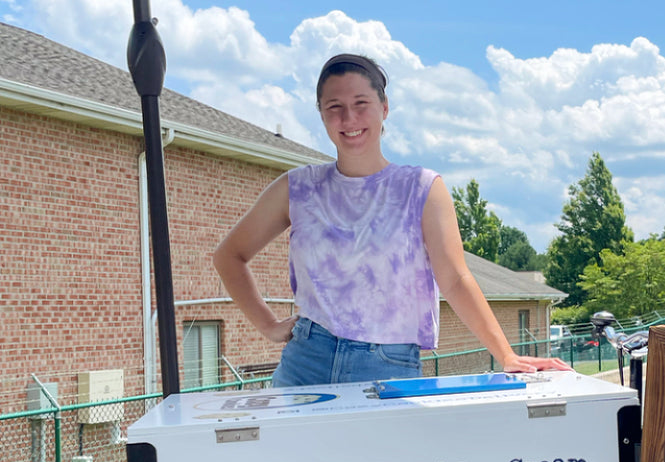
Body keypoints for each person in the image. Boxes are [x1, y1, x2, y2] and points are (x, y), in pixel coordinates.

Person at [213, 53, 570, 386]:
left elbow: (455, 278)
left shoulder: (421, 188)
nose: (349, 119)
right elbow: (229, 256)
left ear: (384, 108)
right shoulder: (297, 188)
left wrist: (506, 355)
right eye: (334, 107)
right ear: (321, 114)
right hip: (305, 363)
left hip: (388, 366)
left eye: (361, 104)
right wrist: (269, 326)